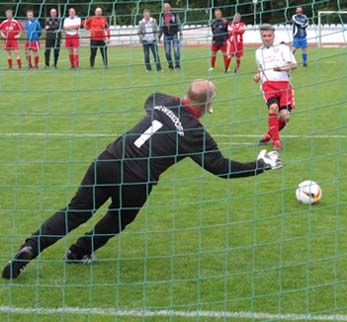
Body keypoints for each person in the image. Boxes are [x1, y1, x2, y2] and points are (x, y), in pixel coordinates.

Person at [2, 79, 282, 280]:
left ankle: (31, 246)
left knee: (75, 211)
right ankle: (78, 253)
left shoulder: (162, 101)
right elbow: (221, 168)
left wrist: (179, 105)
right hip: (137, 180)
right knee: (118, 218)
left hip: (107, 161)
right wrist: (260, 165)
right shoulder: (195, 133)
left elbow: (152, 97)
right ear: (209, 106)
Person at [253, 24, 297, 151]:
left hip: (284, 86)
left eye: (269, 35)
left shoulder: (283, 48)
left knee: (285, 117)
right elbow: (261, 69)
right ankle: (276, 142)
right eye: (264, 36)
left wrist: (281, 68)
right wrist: (258, 75)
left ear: (274, 35)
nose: (267, 38)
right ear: (261, 37)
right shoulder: (258, 52)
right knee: (273, 108)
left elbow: (294, 65)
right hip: (268, 85)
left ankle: (269, 134)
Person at [159, 3, 182, 71]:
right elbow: (161, 27)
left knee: (176, 50)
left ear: (170, 8)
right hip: (166, 35)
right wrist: (159, 36)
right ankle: (170, 65)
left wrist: (180, 33)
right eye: (164, 8)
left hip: (174, 34)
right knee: (167, 52)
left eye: (167, 8)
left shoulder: (174, 15)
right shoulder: (162, 16)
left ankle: (177, 65)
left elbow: (179, 24)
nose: (165, 9)